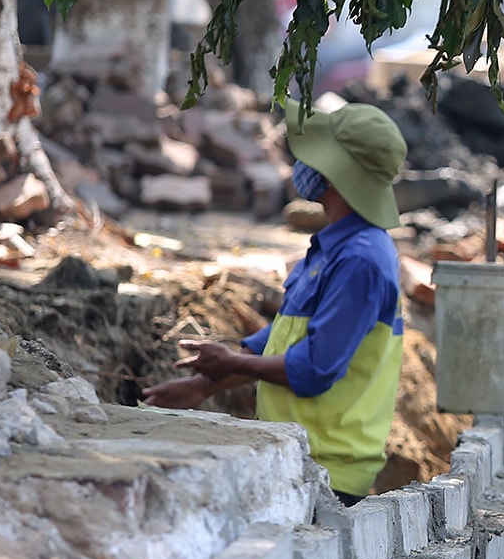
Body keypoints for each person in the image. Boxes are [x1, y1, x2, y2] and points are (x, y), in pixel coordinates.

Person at [142, 105, 408, 502]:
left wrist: (231, 362)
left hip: (327, 473)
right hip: (299, 458)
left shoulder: (360, 260)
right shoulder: (334, 246)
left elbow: (315, 368)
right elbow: (284, 340)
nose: (302, 164)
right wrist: (202, 387)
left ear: (335, 176)